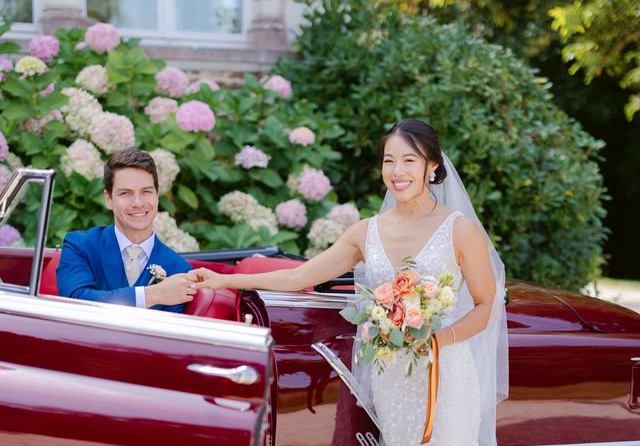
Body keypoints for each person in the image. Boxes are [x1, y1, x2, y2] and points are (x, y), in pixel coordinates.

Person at [188, 119, 508, 445]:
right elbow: (299, 276)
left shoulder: (459, 229)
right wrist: (223, 280)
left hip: (445, 370)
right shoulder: (365, 232)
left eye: (409, 160)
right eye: (389, 160)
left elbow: (487, 304)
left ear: (432, 167)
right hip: (392, 375)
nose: (397, 171)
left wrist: (440, 339)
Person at [56, 148, 197, 313]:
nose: (137, 203)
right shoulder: (80, 246)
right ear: (108, 199)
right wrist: (152, 295)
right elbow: (74, 302)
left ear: (157, 195)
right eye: (125, 193)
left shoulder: (179, 270)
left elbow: (169, 336)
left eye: (146, 192)